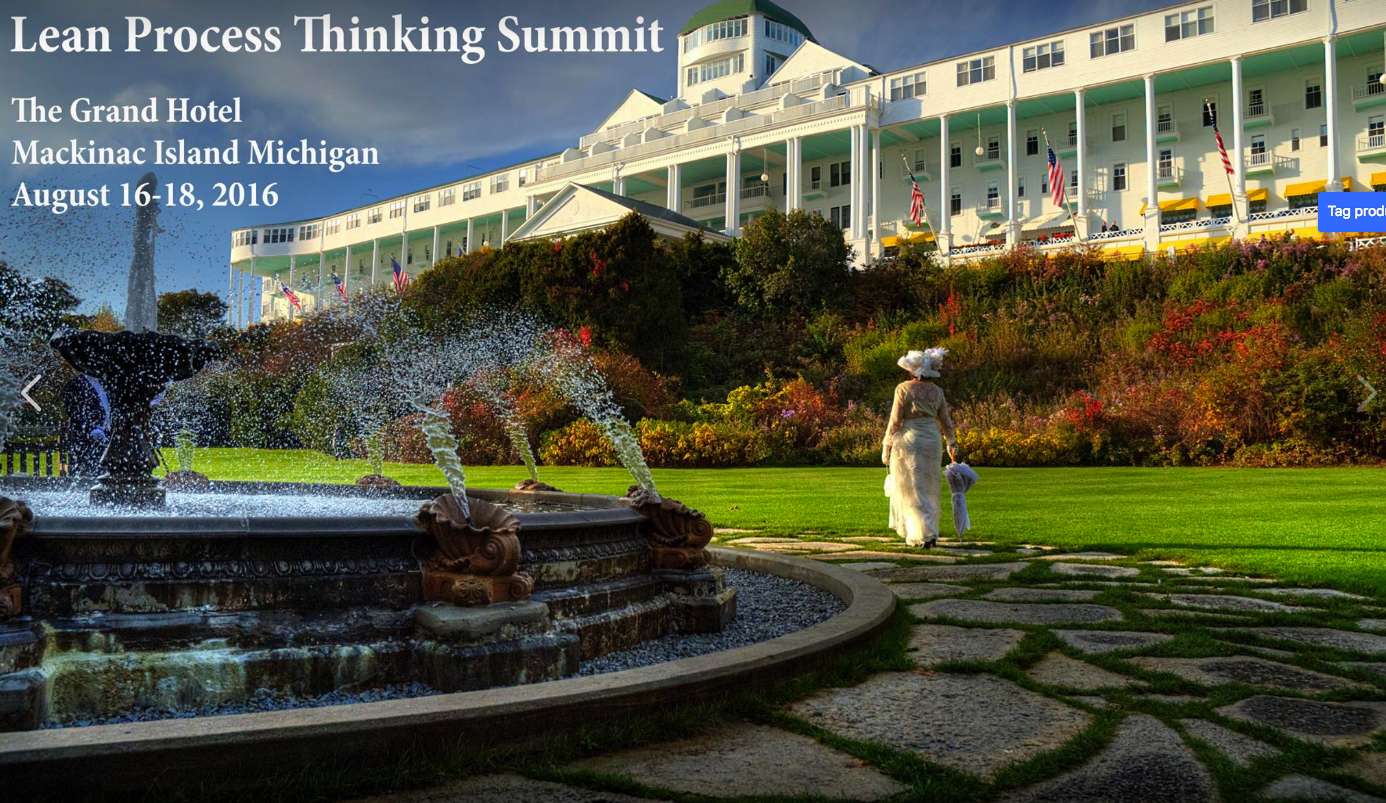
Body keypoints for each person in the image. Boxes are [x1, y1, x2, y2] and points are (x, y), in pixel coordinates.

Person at [882, 349, 958, 548]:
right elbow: (946, 421)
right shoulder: (937, 391)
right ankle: (928, 532)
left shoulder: (903, 388)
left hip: (911, 440)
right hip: (932, 439)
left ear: (914, 370)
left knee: (913, 487)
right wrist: (951, 442)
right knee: (930, 486)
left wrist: (887, 444)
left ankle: (924, 533)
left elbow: (895, 421)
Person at [61, 374, 110, 476]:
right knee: (84, 473)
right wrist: (92, 427)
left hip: (106, 436)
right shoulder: (75, 384)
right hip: (85, 438)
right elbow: (73, 411)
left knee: (103, 472)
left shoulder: (106, 383)